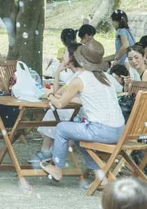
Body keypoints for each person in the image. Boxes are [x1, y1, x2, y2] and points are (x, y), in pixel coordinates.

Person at [41, 39, 126, 184]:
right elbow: (88, 100)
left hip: (101, 130)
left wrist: (48, 94)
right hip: (120, 131)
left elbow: (59, 104)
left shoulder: (80, 80)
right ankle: (100, 175)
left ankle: (57, 169)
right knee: (77, 136)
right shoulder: (104, 78)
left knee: (61, 128)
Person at [29, 42, 82, 165]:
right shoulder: (74, 76)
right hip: (72, 109)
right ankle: (49, 151)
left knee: (53, 112)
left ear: (72, 57)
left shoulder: (78, 77)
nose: (62, 56)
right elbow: (57, 92)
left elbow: (58, 96)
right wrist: (58, 72)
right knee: (54, 112)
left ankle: (46, 151)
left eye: (65, 53)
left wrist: (50, 95)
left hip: (79, 114)